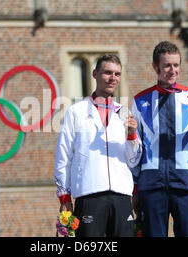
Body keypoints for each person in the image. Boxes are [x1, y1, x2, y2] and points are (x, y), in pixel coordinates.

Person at [131, 41, 188, 237]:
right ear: (155, 67)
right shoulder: (141, 100)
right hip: (151, 185)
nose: (172, 70)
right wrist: (134, 189)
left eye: (176, 65)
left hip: (184, 184)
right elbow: (135, 149)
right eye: (167, 65)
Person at [54, 54, 142, 237]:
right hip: (89, 195)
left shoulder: (125, 112)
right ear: (95, 74)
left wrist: (132, 135)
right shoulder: (76, 112)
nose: (113, 78)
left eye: (117, 74)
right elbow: (63, 155)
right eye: (107, 72)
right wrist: (64, 196)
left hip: (121, 196)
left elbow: (134, 160)